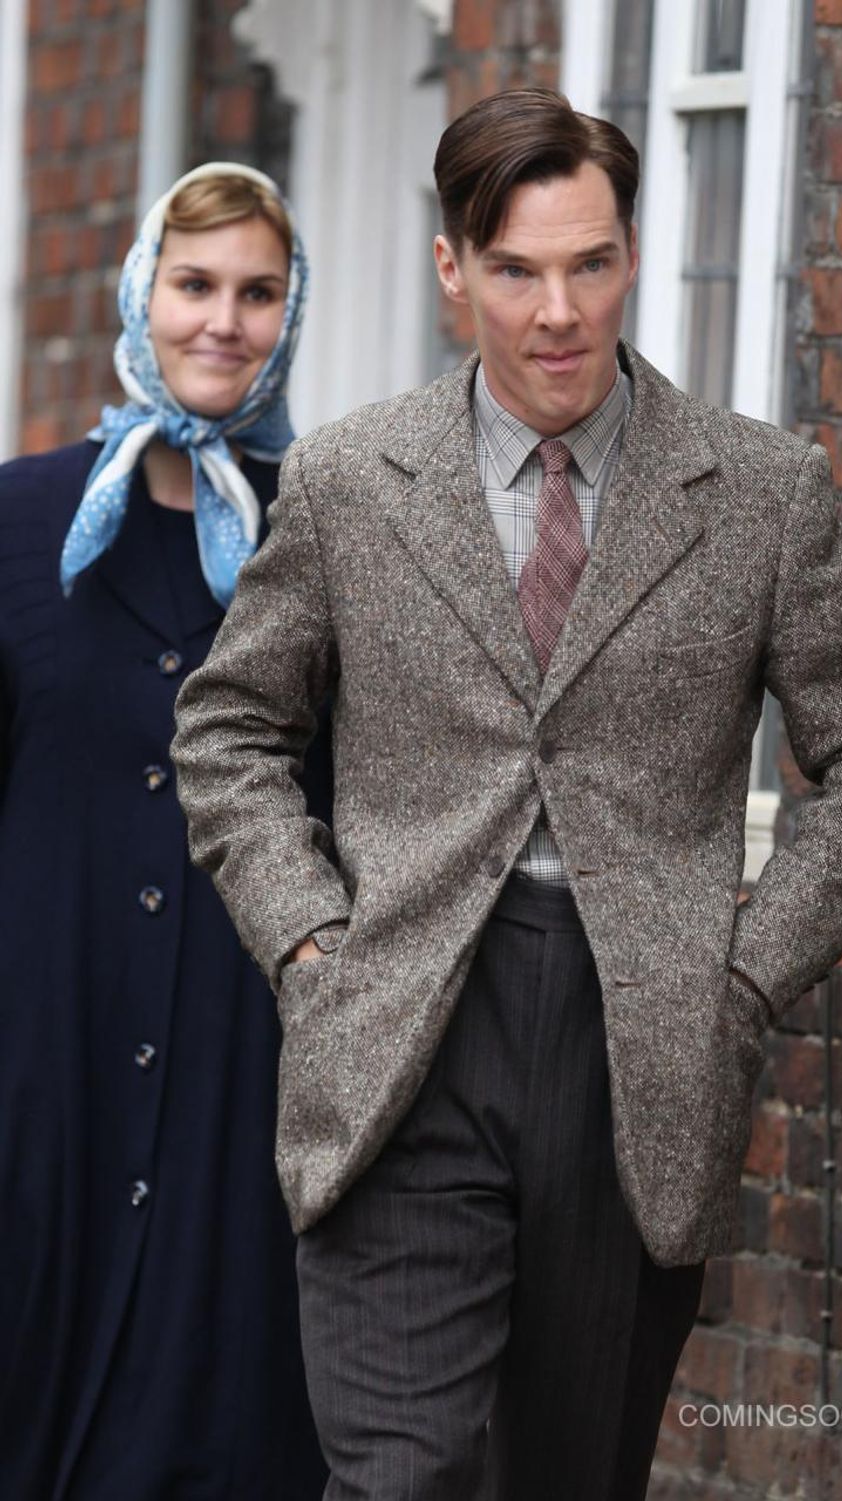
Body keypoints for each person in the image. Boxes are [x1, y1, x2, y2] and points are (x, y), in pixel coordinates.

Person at [172, 91, 842, 1501]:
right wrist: (309, 942)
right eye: (518, 270)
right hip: (399, 1028)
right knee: (402, 1475)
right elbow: (231, 728)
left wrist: (741, 978)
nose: (558, 312)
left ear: (632, 254)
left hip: (638, 1049)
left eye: (591, 263)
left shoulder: (761, 492)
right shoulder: (350, 480)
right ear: (452, 267)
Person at [0, 163, 327, 1499]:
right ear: (144, 293)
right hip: (43, 1068)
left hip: (234, 1082)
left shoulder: (324, 533)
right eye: (195, 284)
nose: (223, 322)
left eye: (258, 292)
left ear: (291, 314)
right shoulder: (21, 520)